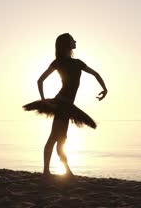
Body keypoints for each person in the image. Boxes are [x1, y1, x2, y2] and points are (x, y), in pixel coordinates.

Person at [23, 33, 108, 177]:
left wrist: (105, 89)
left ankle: (63, 171)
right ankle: (48, 171)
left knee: (61, 139)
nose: (75, 41)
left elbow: (96, 74)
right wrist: (44, 101)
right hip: (61, 103)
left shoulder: (78, 63)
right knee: (54, 138)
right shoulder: (58, 62)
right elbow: (40, 81)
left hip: (68, 105)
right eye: (72, 40)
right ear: (66, 44)